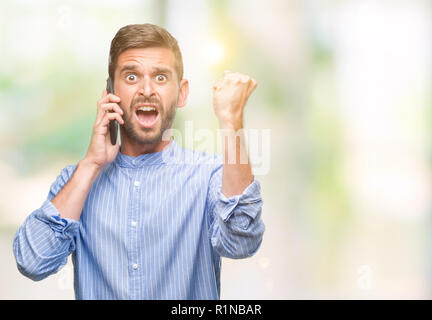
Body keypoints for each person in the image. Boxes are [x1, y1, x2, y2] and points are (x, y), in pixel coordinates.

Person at [13, 23, 265, 300]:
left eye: (160, 77)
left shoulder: (210, 176)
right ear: (110, 92)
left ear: (181, 93)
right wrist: (91, 164)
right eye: (131, 77)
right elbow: (33, 261)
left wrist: (231, 122)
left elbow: (242, 242)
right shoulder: (77, 181)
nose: (147, 90)